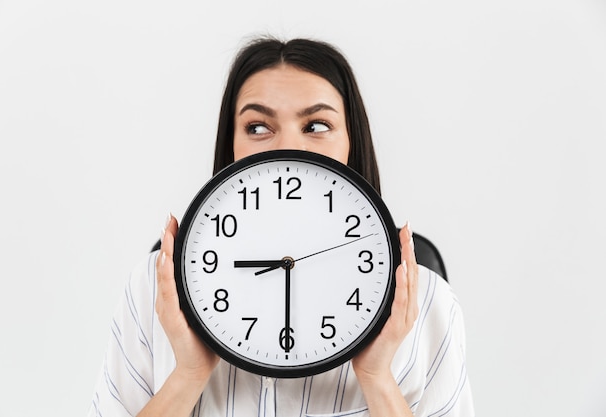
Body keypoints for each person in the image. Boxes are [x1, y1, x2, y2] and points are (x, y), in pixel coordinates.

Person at [88, 37, 474, 417]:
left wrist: (376, 378)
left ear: (351, 143)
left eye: (317, 125)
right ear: (232, 145)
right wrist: (188, 374)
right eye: (258, 128)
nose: (288, 148)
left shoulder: (427, 304)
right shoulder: (151, 291)